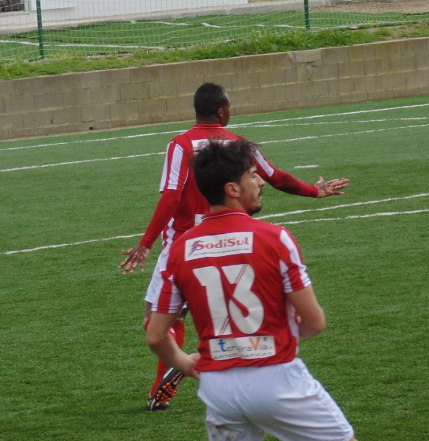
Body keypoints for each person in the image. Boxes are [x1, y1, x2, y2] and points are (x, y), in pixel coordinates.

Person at [146, 139, 429, 441]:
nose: (260, 181)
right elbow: (314, 321)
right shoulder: (274, 237)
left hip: (218, 388)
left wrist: (188, 362)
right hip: (275, 376)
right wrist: (267, 339)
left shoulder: (180, 249)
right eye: (252, 176)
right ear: (232, 188)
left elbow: (156, 336)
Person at [121, 82, 349, 411]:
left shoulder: (180, 144)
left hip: (186, 244)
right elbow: (275, 177)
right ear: (221, 111)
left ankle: (169, 376)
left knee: (158, 319)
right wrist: (316, 191)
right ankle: (232, 359)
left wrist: (145, 243)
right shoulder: (239, 146)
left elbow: (171, 196)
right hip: (233, 236)